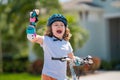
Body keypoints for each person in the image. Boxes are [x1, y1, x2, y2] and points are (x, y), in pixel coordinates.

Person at [26, 9, 80, 80]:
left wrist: (77, 60)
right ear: (51, 28)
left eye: (62, 25)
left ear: (65, 29)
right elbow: (32, 37)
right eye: (56, 25)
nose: (59, 26)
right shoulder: (46, 39)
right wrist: (32, 22)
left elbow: (72, 58)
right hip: (48, 75)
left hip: (61, 77)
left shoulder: (67, 44)